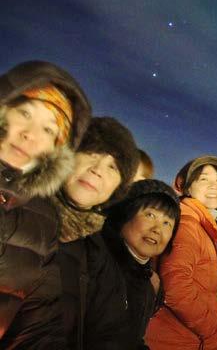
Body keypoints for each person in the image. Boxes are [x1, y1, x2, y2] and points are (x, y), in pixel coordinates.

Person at [0, 60, 91, 348]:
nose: (30, 134)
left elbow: (39, 323)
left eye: (49, 130)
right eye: (25, 113)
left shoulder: (45, 218)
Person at [54, 116, 140, 349]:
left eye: (113, 167)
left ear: (117, 190)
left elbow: (110, 334)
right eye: (92, 154)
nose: (98, 170)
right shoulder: (13, 207)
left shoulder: (99, 256)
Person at [145, 156, 217, 350]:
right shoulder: (187, 222)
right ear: (187, 187)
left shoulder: (203, 224)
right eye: (204, 179)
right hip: (178, 341)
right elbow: (176, 288)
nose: (214, 185)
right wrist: (213, 331)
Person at [102, 179, 181, 349]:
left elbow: (132, 340)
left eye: (167, 223)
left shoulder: (148, 284)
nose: (157, 229)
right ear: (125, 214)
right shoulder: (94, 262)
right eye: (150, 215)